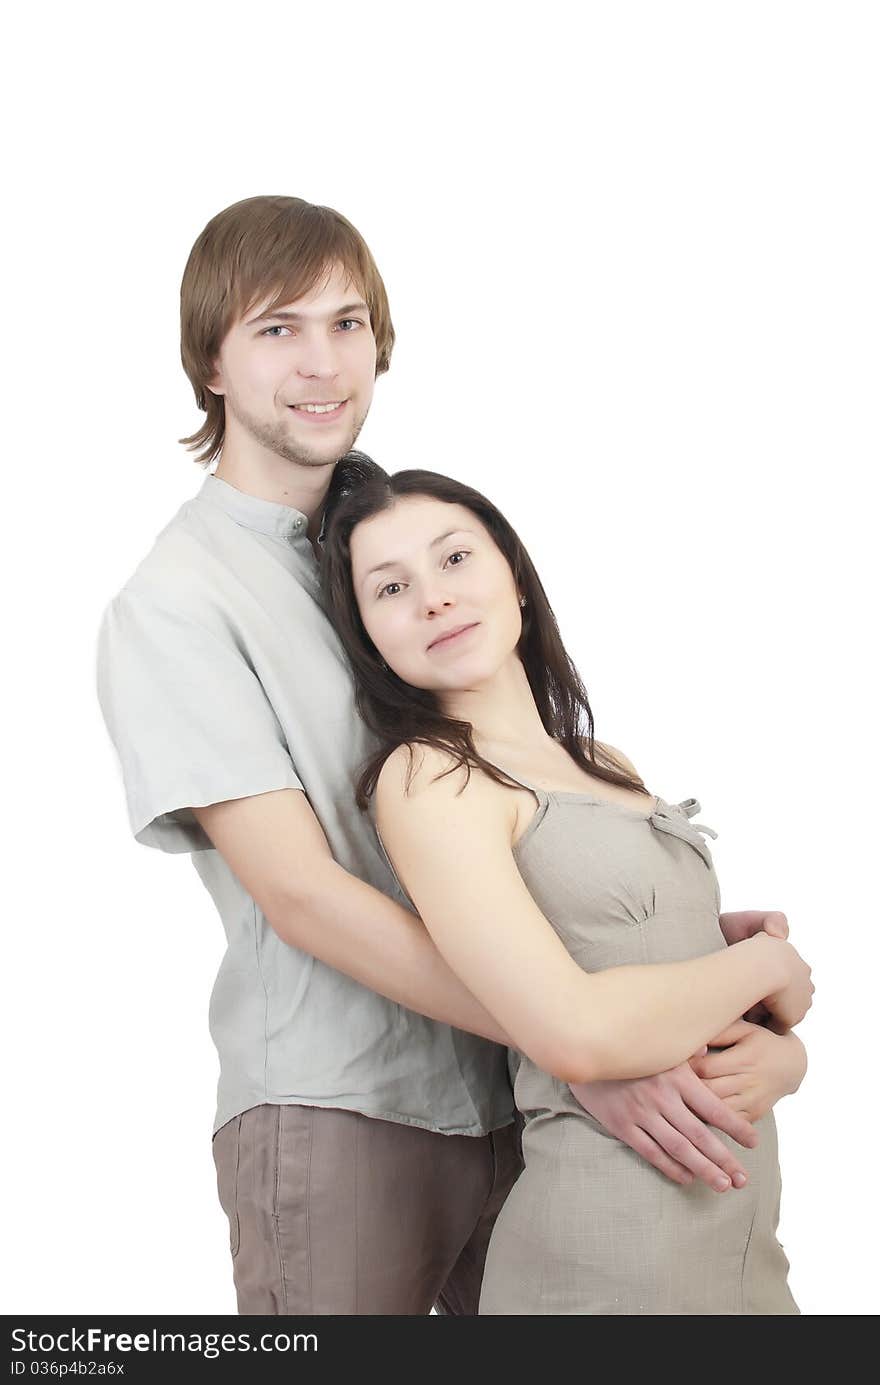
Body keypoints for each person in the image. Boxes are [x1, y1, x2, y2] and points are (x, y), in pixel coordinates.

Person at [96, 194, 804, 1317]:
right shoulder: (181, 601)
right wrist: (580, 1041)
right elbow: (303, 892)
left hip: (519, 1104)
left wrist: (654, 957)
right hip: (349, 1108)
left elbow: (522, 823)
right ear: (210, 363)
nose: (323, 363)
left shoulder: (399, 536)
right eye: (277, 329)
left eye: (347, 322)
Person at [318, 467, 811, 1314]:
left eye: (455, 559)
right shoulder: (431, 776)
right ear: (367, 635)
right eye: (391, 588)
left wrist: (783, 1053)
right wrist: (770, 961)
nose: (433, 598)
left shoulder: (606, 765)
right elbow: (576, 1034)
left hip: (745, 1255)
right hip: (604, 1260)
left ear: (512, 569)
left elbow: (675, 983)